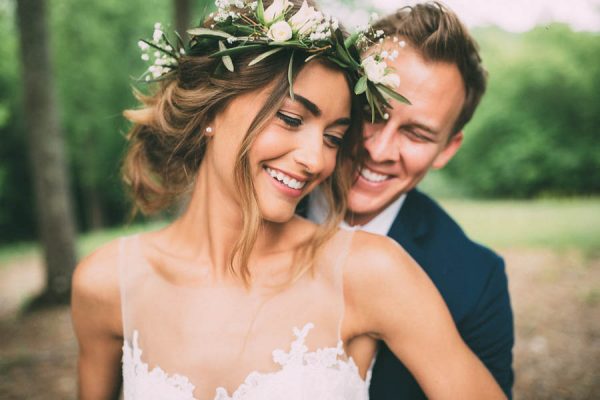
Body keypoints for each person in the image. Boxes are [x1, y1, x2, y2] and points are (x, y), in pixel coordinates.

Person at [71, 1, 507, 399]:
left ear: (448, 148)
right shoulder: (106, 284)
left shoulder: (378, 270)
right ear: (210, 110)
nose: (317, 159)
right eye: (291, 118)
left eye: (334, 136)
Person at [307, 2, 514, 399]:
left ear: (447, 150)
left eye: (416, 134)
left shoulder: (475, 280)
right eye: (373, 110)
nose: (379, 149)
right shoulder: (254, 209)